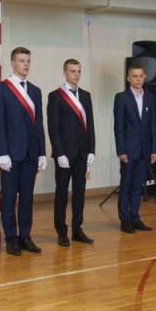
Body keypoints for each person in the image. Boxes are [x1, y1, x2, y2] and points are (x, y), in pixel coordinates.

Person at [0, 46, 47, 256]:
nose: (26, 64)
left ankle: (25, 236)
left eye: (28, 61)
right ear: (12, 62)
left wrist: (42, 152)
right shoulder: (1, 88)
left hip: (31, 153)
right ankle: (11, 239)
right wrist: (2, 153)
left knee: (27, 198)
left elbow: (39, 124)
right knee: (8, 199)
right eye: (22, 61)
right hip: (11, 154)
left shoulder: (35, 90)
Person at [47, 59, 96, 247]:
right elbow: (53, 128)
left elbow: (90, 125)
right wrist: (59, 153)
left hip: (82, 154)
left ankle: (77, 229)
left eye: (78, 71)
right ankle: (61, 231)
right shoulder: (56, 96)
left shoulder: (86, 95)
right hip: (64, 155)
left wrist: (92, 149)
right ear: (65, 72)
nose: (76, 75)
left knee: (79, 193)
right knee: (61, 193)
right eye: (72, 71)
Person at [113, 64, 156, 234]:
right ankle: (124, 220)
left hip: (144, 150)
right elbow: (118, 127)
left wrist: (155, 149)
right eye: (134, 76)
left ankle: (135, 217)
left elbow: (153, 125)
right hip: (128, 151)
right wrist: (121, 150)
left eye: (140, 76)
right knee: (126, 186)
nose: (138, 79)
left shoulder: (150, 98)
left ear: (145, 77)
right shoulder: (121, 98)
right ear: (128, 78)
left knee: (138, 187)